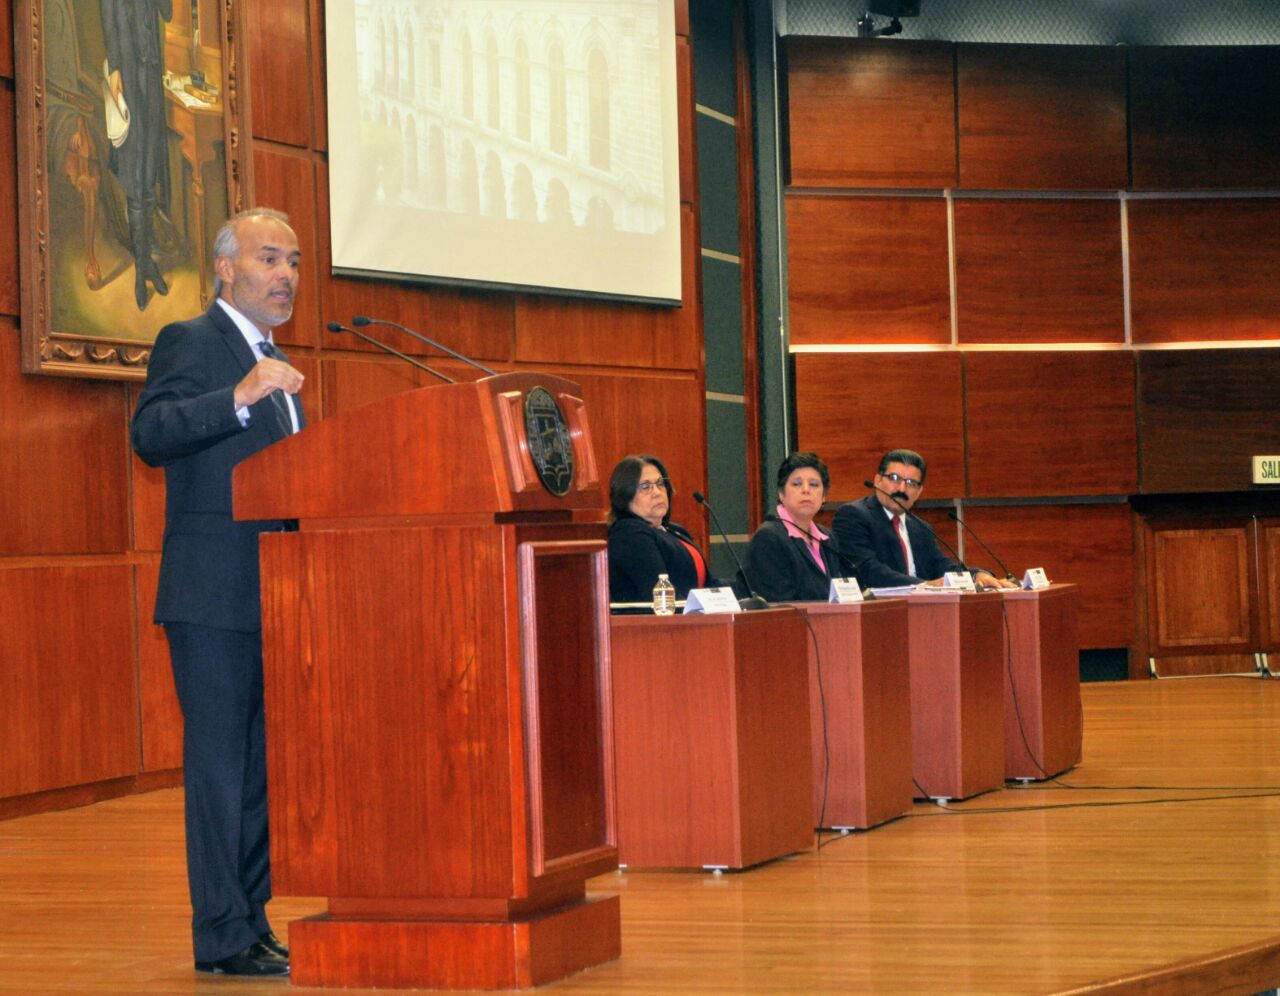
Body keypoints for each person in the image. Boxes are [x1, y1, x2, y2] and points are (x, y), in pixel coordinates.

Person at [130, 207, 305, 977]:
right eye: (271, 257)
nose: (287, 275)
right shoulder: (193, 343)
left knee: (261, 771)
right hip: (212, 594)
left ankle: (253, 917)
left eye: (295, 261)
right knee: (219, 769)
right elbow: (152, 432)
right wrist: (237, 395)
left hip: (277, 594)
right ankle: (220, 931)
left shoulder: (280, 360)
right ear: (226, 266)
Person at [831, 449, 1018, 590]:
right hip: (876, 613)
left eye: (911, 483)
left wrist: (976, 574)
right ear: (878, 481)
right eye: (894, 478)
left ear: (919, 492)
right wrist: (927, 585)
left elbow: (941, 565)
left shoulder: (919, 527)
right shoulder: (853, 515)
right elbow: (869, 571)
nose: (902, 489)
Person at [101, 0, 173, 309]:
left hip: (151, 77)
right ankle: (142, 270)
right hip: (127, 74)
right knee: (135, 176)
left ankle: (145, 265)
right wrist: (115, 67)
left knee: (148, 175)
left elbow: (167, 12)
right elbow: (108, 17)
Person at [607, 454, 717, 606]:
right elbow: (659, 591)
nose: (657, 492)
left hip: (693, 620)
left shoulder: (675, 531)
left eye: (660, 484)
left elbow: (708, 584)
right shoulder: (628, 534)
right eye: (645, 487)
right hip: (654, 626)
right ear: (625, 496)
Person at [738, 452, 847, 602]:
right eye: (797, 484)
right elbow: (779, 603)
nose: (806, 490)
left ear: (823, 497)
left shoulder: (828, 538)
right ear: (781, 494)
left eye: (814, 484)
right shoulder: (769, 538)